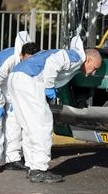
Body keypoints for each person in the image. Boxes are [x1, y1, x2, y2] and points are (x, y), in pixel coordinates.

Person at [8, 35, 102, 183]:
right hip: (29, 81)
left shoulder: (69, 56)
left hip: (16, 77)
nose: (92, 73)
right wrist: (49, 85)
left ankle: (33, 167)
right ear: (88, 60)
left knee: (29, 127)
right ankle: (39, 169)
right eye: (94, 68)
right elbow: (53, 63)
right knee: (42, 126)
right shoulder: (76, 57)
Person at [0, 31, 40, 173]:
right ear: (21, 55)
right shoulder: (9, 61)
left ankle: (13, 157)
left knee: (15, 117)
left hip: (9, 79)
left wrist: (13, 100)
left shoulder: (33, 58)